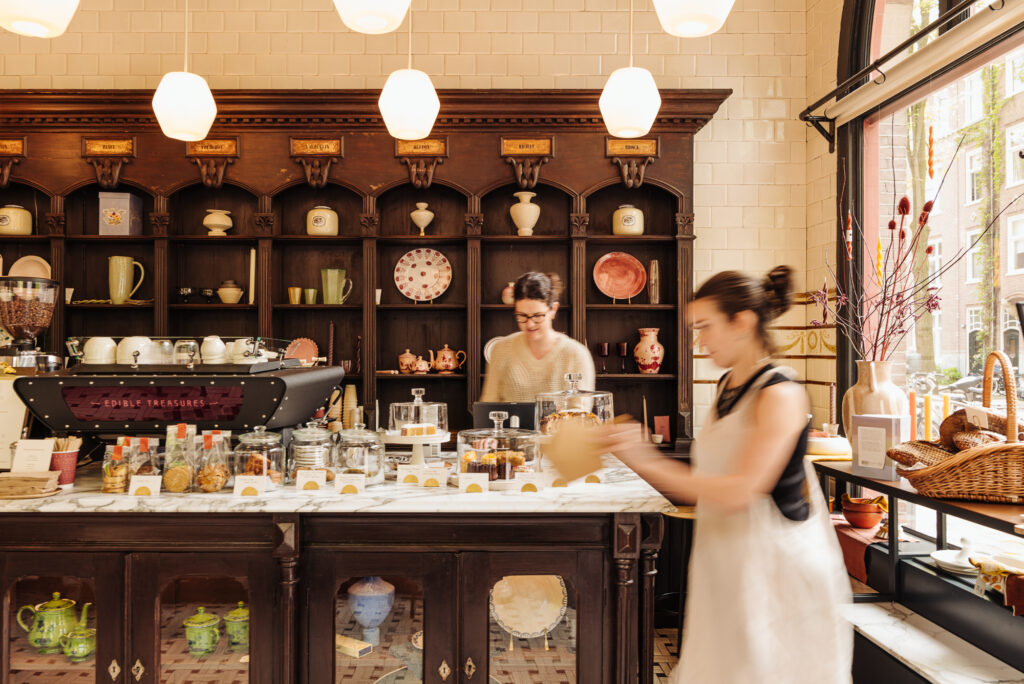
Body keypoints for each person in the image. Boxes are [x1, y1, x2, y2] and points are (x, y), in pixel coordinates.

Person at [600, 266, 852, 683]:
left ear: (743, 322)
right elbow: (714, 476)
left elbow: (741, 490)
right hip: (726, 563)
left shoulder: (780, 393)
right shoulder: (727, 386)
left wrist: (645, 460)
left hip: (776, 573)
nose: (699, 341)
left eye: (705, 327)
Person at [480, 272, 595, 402]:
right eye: (522, 315)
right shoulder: (501, 350)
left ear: (553, 309)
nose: (530, 324)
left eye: (537, 316)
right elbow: (489, 405)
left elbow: (580, 411)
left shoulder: (576, 354)